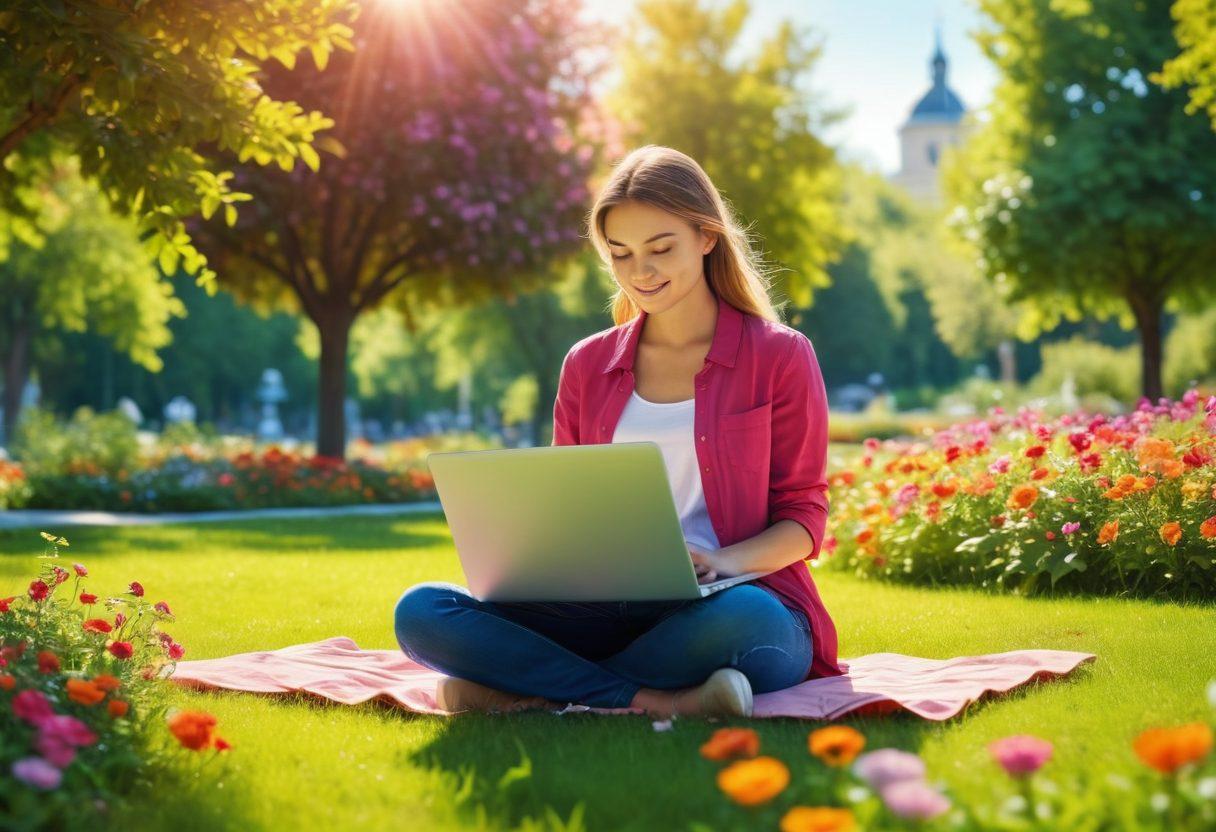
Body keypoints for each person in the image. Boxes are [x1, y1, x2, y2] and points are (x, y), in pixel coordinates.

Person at [393, 145, 843, 718]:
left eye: (661, 248)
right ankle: (651, 700)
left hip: (732, 602)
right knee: (423, 612)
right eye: (621, 254)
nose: (641, 272)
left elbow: (805, 518)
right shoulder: (587, 365)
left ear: (707, 237)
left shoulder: (779, 355)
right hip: (602, 608)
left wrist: (722, 562)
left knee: (745, 621)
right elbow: (564, 509)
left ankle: (521, 690)